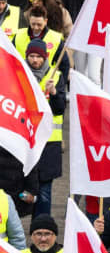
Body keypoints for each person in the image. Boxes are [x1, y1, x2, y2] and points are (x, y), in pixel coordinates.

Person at [25, 37, 64, 218]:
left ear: (45, 57)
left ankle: (41, 229)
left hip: (49, 144)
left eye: (38, 57)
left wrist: (55, 93)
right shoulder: (21, 75)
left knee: (45, 193)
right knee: (21, 191)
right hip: (27, 142)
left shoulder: (56, 77)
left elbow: (60, 108)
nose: (35, 60)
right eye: (31, 56)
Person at [61, 0, 99, 83]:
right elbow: (64, 11)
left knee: (94, 75)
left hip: (96, 36)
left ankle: (96, 101)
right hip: (78, 36)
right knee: (81, 73)